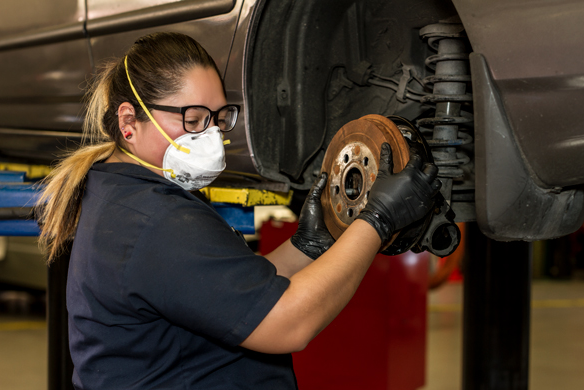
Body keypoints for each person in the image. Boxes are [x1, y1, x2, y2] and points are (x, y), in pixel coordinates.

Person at [37, 32, 441, 389]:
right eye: (193, 120)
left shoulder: (121, 192)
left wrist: (306, 246)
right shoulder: (155, 220)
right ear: (129, 122)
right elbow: (287, 324)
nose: (211, 138)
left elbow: (222, 292)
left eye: (217, 119)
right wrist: (377, 221)